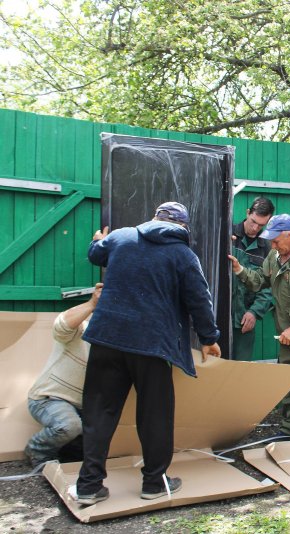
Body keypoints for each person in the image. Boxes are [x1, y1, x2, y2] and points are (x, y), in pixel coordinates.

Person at [74, 201, 221, 506]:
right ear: (183, 227)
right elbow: (199, 300)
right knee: (155, 415)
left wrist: (95, 239)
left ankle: (89, 486)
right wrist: (209, 338)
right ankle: (154, 482)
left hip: (107, 338)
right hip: (152, 346)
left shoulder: (121, 237)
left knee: (99, 412)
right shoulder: (183, 255)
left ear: (153, 217)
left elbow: (95, 254)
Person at [228, 214, 290, 436]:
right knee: (288, 383)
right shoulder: (274, 257)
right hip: (285, 333)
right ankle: (289, 429)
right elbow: (258, 282)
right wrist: (239, 270)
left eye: (276, 241)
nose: (272, 245)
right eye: (271, 241)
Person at [24, 283, 103, 468]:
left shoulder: (119, 345)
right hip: (49, 399)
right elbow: (61, 326)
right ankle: (36, 451)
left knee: (96, 442)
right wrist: (92, 303)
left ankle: (68, 450)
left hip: (86, 407)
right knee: (69, 425)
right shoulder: (81, 329)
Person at [230, 197, 275, 360]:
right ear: (247, 213)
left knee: (239, 370)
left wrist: (254, 312)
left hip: (244, 318)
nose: (255, 228)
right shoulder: (227, 235)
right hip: (218, 315)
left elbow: (268, 285)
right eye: (253, 221)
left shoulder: (268, 248)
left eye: (261, 225)